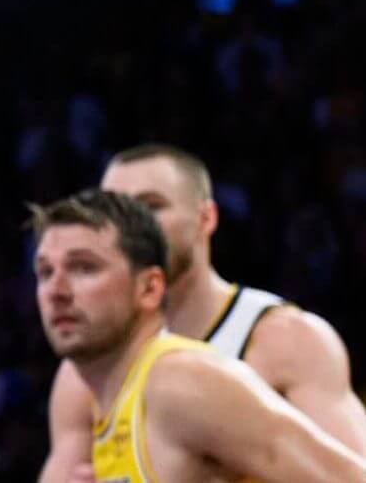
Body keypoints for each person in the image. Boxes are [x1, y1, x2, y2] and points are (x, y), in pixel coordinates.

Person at [40, 144, 366, 481]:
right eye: (113, 213)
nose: (129, 228)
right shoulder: (86, 370)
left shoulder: (287, 340)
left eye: (149, 207)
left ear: (205, 217)